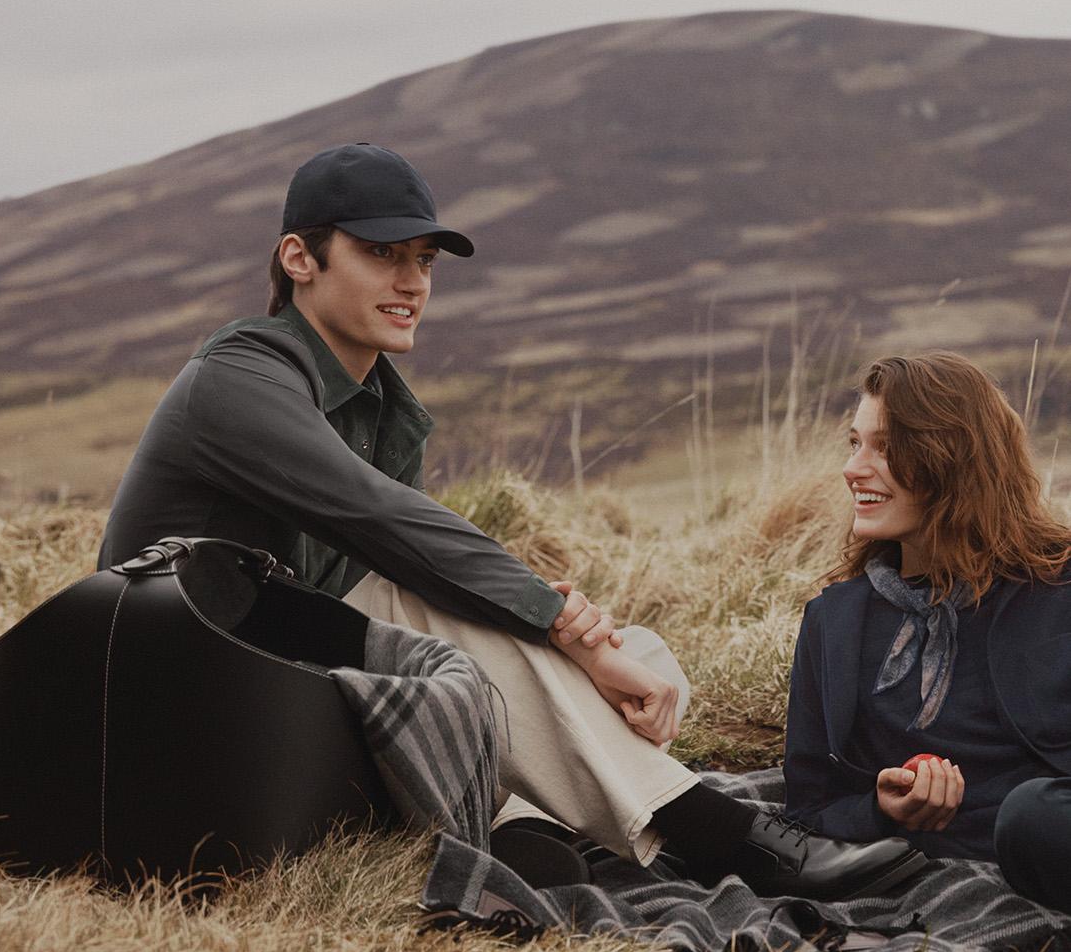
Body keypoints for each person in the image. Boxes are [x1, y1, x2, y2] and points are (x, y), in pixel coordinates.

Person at [100, 142, 923, 898]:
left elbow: (399, 568)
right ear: (299, 259)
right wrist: (564, 629)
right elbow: (386, 522)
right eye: (381, 254)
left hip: (288, 685)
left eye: (424, 260)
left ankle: (529, 829)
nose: (412, 282)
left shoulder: (381, 410)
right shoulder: (240, 375)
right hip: (176, 705)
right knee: (447, 609)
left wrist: (590, 641)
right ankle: (725, 835)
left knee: (640, 653)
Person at [783, 351, 1071, 913]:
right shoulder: (832, 623)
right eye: (855, 443)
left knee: (1035, 816)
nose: (853, 469)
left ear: (954, 458)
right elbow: (807, 812)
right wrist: (881, 809)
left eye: (886, 447)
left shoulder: (1059, 587)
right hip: (946, 869)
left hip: (1051, 832)